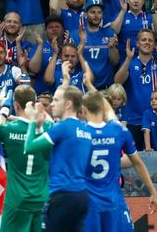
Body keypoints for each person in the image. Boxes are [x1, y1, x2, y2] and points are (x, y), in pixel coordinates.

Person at [81, 90, 157, 232]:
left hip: (89, 201)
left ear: (83, 109)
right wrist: (153, 191)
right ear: (103, 108)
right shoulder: (119, 131)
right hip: (114, 200)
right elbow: (137, 162)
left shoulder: (79, 134)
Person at [24, 85, 92, 231]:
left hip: (62, 195)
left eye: (56, 100)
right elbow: (47, 156)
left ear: (68, 104)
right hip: (82, 195)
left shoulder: (62, 127)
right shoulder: (85, 129)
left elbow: (29, 147)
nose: (52, 104)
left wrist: (32, 121)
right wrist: (40, 127)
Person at [0, 85, 50, 232]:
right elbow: (39, 122)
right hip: (41, 198)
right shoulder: (49, 128)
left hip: (17, 200)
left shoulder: (9, 129)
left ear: (16, 105)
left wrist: (4, 109)